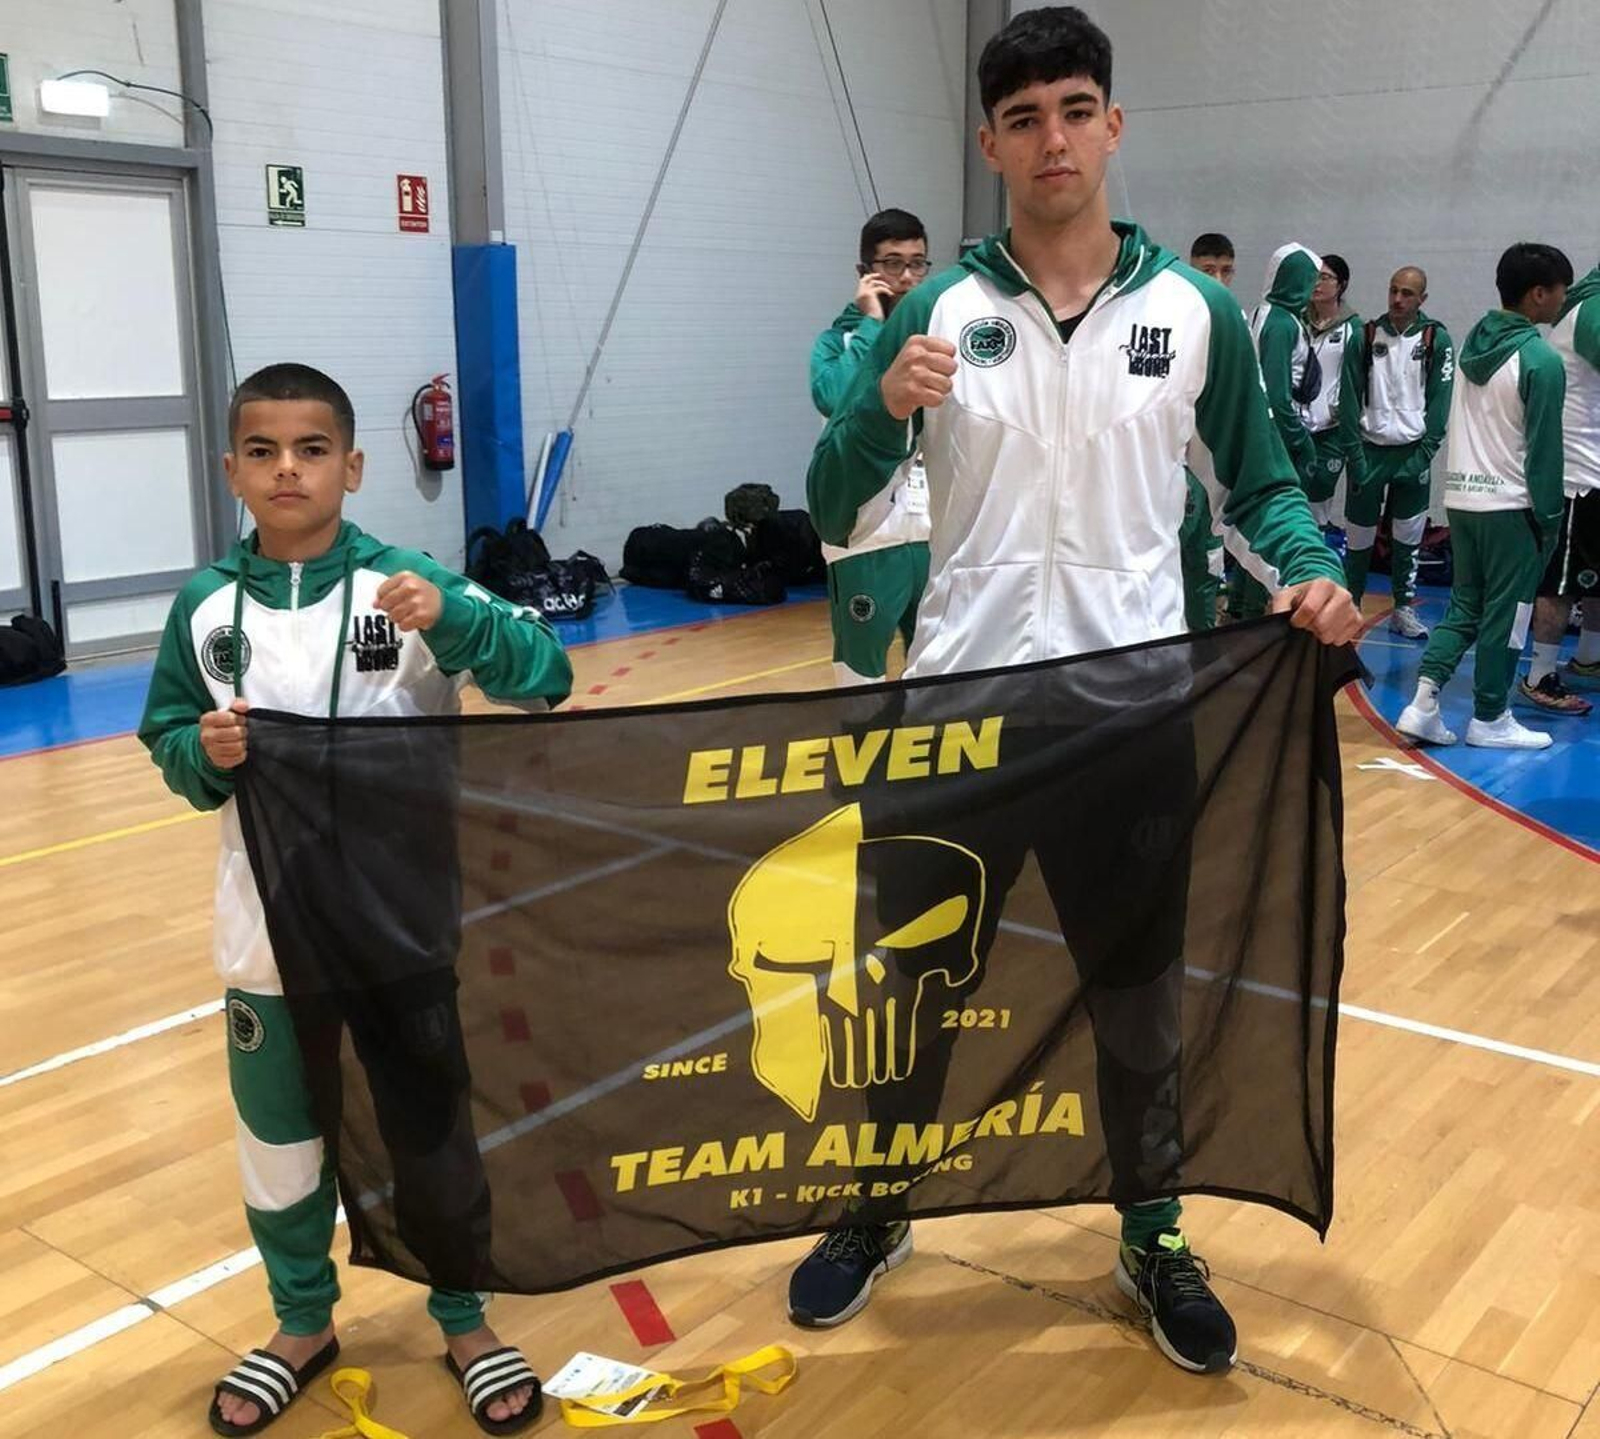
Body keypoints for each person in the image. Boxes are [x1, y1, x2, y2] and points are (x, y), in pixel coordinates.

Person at [803, 5, 1361, 1375]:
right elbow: (834, 504)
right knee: (912, 988)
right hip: (958, 717)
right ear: (990, 142)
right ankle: (879, 1209)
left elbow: (1261, 490)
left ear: (1112, 124)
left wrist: (1306, 575)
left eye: (1073, 109)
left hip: (1128, 714)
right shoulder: (939, 310)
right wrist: (880, 403)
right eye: (1022, 116)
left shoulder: (1194, 312)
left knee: (1137, 994)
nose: (1051, 138)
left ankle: (1154, 1227)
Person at [139, 364, 572, 1436]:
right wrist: (205, 748)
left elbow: (547, 673)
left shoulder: (411, 582)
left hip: (401, 926)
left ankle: (464, 1315)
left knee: (428, 1126)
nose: (288, 469)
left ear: (352, 464)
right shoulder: (205, 605)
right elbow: (164, 736)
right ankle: (301, 1321)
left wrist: (462, 627)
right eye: (263, 450)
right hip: (265, 935)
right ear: (232, 467)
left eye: (312, 448)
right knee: (281, 1141)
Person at [1396, 244, 1571, 750]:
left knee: (1463, 609)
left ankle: (1423, 703)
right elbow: (1543, 453)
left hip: (1461, 501)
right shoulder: (1540, 359)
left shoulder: (1471, 343)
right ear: (1538, 294)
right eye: (1560, 289)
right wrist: (1552, 516)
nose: (1563, 299)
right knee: (1509, 616)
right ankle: (1490, 717)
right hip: (1512, 508)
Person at [810, 209, 934, 683]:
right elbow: (835, 398)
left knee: (938, 671)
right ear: (865, 273)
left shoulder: (939, 334)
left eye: (917, 263)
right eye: (891, 263)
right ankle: (860, 751)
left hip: (935, 535)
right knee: (860, 674)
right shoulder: (837, 342)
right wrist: (872, 326)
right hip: (864, 534)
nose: (906, 277)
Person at [1345, 266, 1456, 638]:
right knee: (1358, 537)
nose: (1397, 299)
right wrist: (1354, 454)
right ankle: (1351, 604)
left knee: (1408, 538)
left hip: (1412, 453)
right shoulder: (1365, 334)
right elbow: (1347, 396)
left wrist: (1425, 452)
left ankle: (1403, 609)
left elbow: (1441, 401)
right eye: (1393, 290)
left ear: (1422, 299)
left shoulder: (1435, 338)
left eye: (1407, 293)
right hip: (1368, 452)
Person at [1518, 254, 1600, 714]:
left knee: (1593, 577)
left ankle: (1588, 658)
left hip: (1594, 468)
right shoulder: (1592, 307)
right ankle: (1539, 674)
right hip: (1576, 473)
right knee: (1561, 581)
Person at [1229, 242, 1325, 619]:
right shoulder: (1283, 324)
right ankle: (1251, 613)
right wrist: (1301, 444)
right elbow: (1278, 395)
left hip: (1261, 433)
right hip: (1279, 440)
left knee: (1250, 526)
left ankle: (1238, 608)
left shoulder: (1262, 313)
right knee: (1272, 525)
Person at [1177, 234, 1238, 629]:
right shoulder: (1171, 321)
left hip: (1210, 476)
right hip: (1169, 470)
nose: (1217, 278)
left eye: (1225, 270)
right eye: (1207, 270)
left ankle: (1200, 675)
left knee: (1205, 577)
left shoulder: (1236, 327)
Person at [1303, 254, 1363, 533]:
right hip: (1295, 425)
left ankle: (1316, 564)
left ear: (1341, 285)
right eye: (1314, 276)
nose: (1317, 283)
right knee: (1292, 495)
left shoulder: (1354, 328)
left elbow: (1357, 382)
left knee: (1319, 498)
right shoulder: (1295, 321)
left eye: (1325, 277)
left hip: (1331, 430)